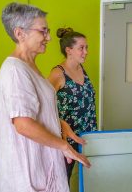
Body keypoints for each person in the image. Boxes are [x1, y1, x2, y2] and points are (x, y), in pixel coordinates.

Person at [0, 2, 91, 192]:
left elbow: (38, 111)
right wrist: (64, 146)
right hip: (28, 174)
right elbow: (23, 124)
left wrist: (61, 124)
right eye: (42, 31)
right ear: (20, 33)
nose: (48, 37)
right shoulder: (15, 70)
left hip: (43, 165)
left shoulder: (30, 67)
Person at [48, 27, 98, 185]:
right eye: (81, 48)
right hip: (68, 139)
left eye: (86, 48)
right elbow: (44, 104)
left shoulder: (81, 69)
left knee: (88, 177)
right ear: (69, 50)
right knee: (63, 180)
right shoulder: (58, 73)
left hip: (87, 135)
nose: (86, 52)